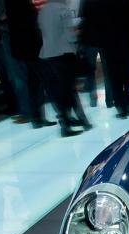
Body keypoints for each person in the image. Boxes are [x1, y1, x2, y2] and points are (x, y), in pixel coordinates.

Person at [37, 0, 90, 136]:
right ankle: (76, 122)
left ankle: (68, 121)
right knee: (69, 90)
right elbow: (70, 36)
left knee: (59, 92)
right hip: (64, 54)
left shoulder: (43, 11)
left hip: (47, 54)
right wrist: (78, 34)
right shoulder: (63, 10)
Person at [80, 0, 129, 118]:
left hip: (109, 44)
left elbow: (89, 18)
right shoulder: (127, 3)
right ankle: (128, 105)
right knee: (128, 76)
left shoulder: (99, 4)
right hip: (127, 43)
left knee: (114, 77)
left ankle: (120, 107)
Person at [4, 0, 57, 128]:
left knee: (34, 82)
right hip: (31, 45)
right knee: (44, 80)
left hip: (23, 46)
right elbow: (30, 21)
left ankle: (37, 118)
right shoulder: (21, 6)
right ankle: (59, 117)